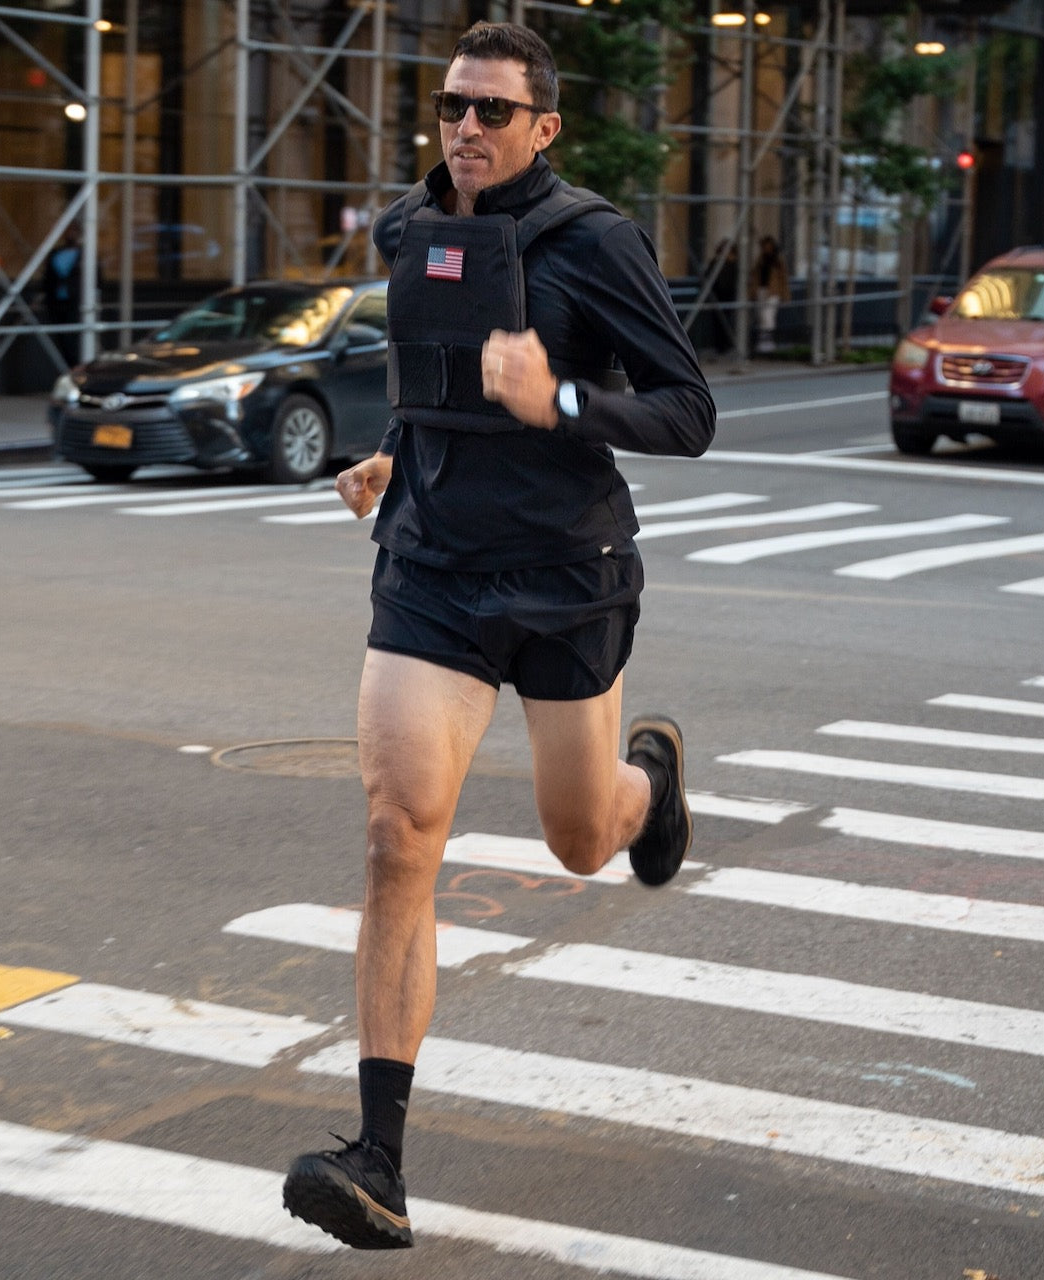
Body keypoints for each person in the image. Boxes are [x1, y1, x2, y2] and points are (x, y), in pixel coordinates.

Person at [281, 21, 716, 1251]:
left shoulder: (596, 241)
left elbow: (688, 410)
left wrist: (557, 397)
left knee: (578, 838)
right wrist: (390, 453)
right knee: (395, 834)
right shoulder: (408, 229)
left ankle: (647, 783)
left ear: (542, 126)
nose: (463, 126)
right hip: (429, 572)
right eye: (450, 105)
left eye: (490, 109)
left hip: (566, 574)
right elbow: (433, 377)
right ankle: (376, 1158)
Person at [42, 224, 83, 366]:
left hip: (76, 303)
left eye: (73, 231)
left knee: (73, 340)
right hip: (56, 303)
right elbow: (48, 278)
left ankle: (75, 366)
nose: (70, 235)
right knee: (61, 340)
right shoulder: (55, 253)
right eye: (68, 231)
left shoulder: (84, 254)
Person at [748, 234, 789, 354]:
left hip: (773, 292)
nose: (767, 248)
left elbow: (783, 278)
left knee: (768, 315)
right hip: (761, 290)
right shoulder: (760, 260)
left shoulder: (778, 260)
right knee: (761, 316)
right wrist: (752, 291)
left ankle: (768, 342)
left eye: (769, 246)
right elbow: (754, 276)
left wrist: (785, 295)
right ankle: (763, 342)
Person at [707, 238, 739, 356]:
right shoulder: (715, 263)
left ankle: (727, 345)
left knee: (728, 321)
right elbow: (708, 275)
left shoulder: (734, 264)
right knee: (717, 323)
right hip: (717, 296)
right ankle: (720, 346)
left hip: (729, 296)